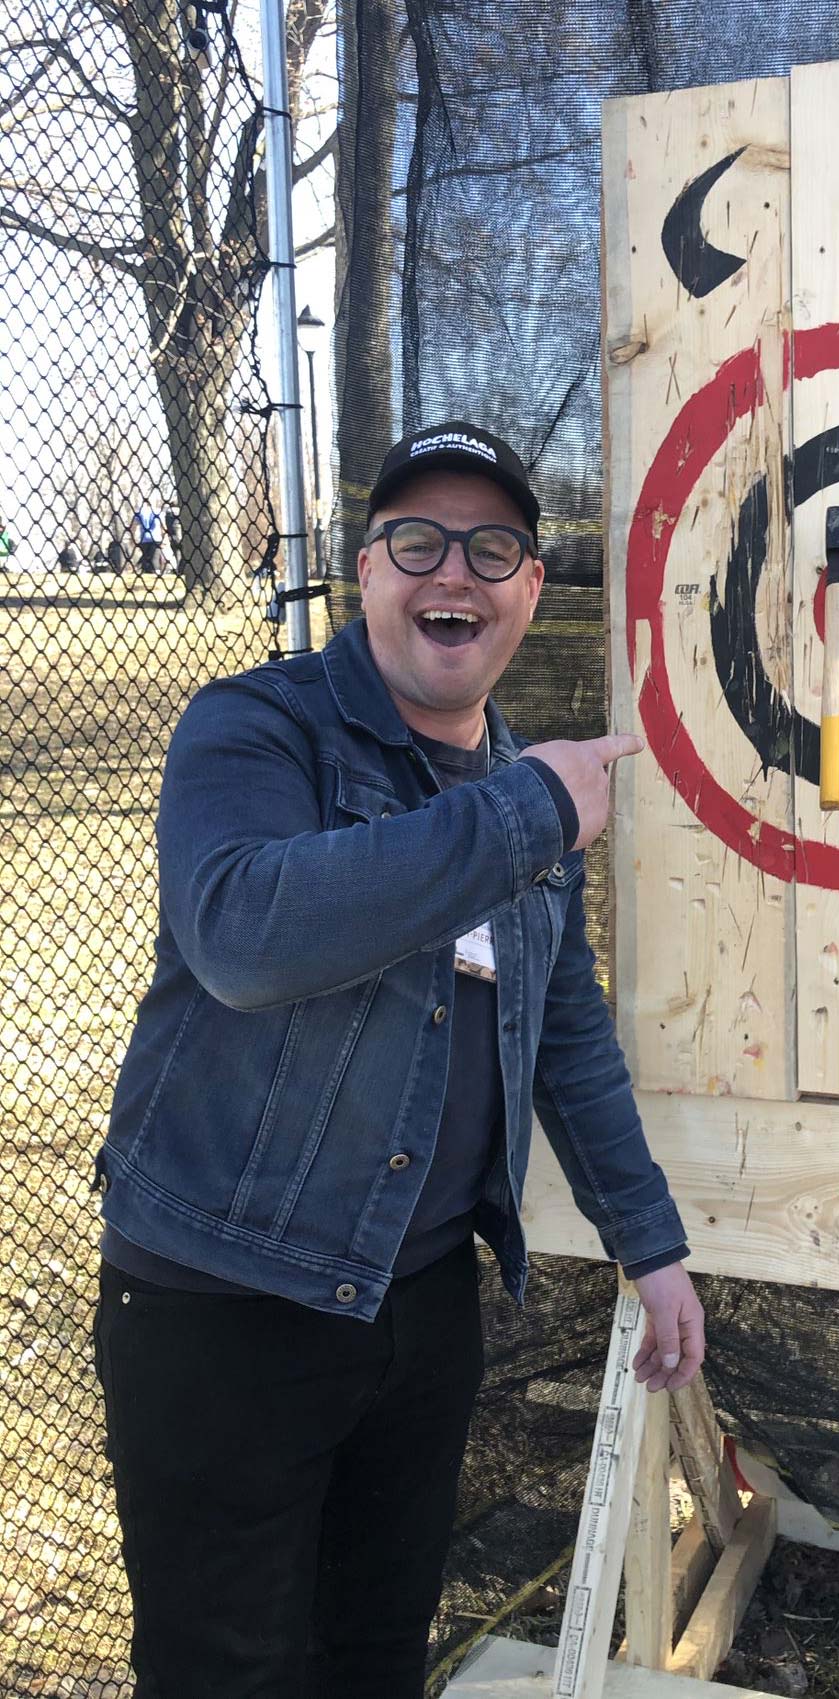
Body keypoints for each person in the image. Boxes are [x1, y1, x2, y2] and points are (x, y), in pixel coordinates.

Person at [93, 421, 705, 1698]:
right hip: (223, 1301)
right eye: (416, 541)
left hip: (419, 1302)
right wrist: (527, 810)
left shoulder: (509, 773)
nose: (454, 575)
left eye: (494, 550)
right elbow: (247, 934)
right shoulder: (259, 730)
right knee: (226, 1668)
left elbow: (568, 1025)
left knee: (375, 1648)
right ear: (362, 572)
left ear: (533, 590)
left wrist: (648, 1244)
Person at [133, 500, 161, 572]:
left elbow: (134, 525)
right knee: (154, 559)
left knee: (145, 558)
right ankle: (155, 572)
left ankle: (145, 571)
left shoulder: (140, 512)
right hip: (156, 538)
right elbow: (162, 525)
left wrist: (132, 537)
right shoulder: (157, 511)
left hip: (144, 538)